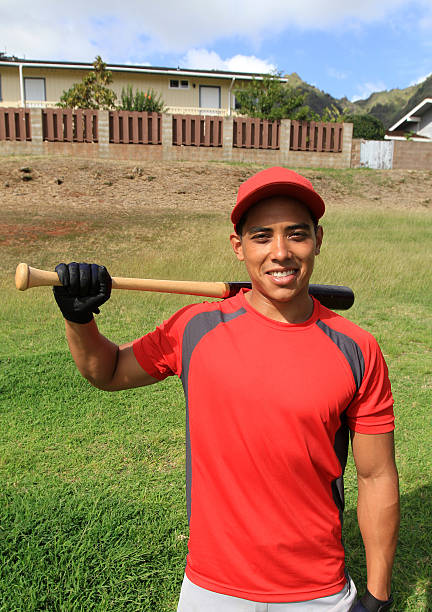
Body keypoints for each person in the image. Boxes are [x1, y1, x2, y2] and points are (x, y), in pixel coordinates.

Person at [53, 167, 400, 612]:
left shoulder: (357, 349)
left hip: (318, 592)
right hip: (212, 590)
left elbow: (376, 476)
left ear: (317, 239)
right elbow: (108, 371)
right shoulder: (195, 328)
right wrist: (79, 318)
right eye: (261, 237)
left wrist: (378, 593)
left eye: (296, 235)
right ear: (238, 246)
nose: (280, 252)